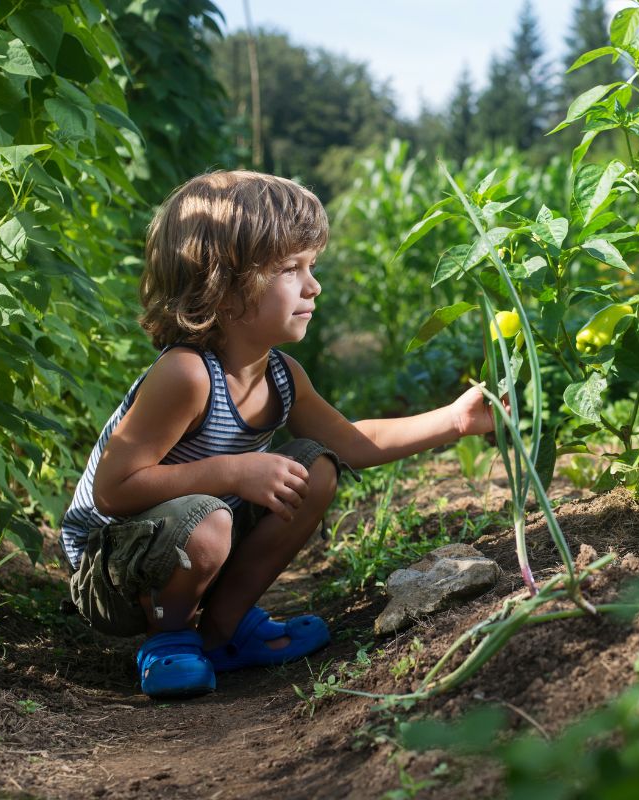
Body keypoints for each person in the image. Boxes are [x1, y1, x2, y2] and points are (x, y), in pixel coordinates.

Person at [60, 170, 498, 699]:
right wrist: (234, 471)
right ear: (221, 287)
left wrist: (455, 420)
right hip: (111, 569)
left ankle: (221, 632)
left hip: (196, 537)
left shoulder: (282, 375)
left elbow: (355, 442)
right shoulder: (186, 374)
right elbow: (114, 488)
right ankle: (168, 640)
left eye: (311, 266)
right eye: (291, 268)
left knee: (316, 468)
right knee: (210, 519)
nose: (314, 285)